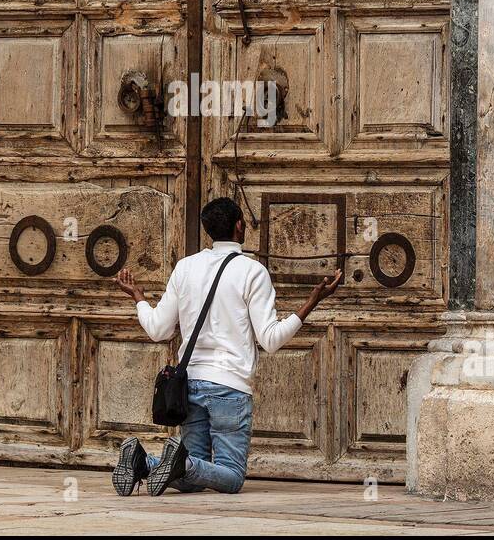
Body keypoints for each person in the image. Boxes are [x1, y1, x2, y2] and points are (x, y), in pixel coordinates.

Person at [111, 196, 342, 496]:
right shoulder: (252, 272)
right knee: (231, 478)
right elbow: (270, 339)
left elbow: (158, 330)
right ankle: (177, 463)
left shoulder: (185, 268)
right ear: (240, 226)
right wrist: (313, 301)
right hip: (230, 388)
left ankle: (144, 462)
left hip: (189, 385)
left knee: (191, 479)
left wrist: (139, 297)